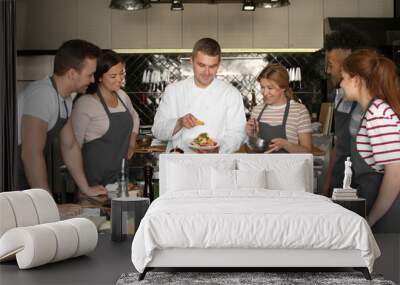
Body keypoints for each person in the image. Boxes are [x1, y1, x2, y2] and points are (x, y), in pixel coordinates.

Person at [18, 39, 106, 197]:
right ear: (72, 74)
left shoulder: (65, 99)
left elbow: (70, 146)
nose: (93, 80)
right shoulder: (42, 95)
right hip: (12, 176)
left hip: (24, 176)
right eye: (90, 74)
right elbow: (30, 154)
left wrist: (86, 189)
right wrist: (47, 204)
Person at [152, 38, 246, 153]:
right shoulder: (173, 91)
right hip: (180, 163)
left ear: (219, 64)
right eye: (201, 65)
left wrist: (218, 149)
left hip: (216, 164)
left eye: (212, 66)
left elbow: (238, 133)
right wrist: (179, 123)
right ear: (191, 61)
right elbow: (157, 130)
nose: (207, 72)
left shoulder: (231, 94)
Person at [340, 48, 400, 231]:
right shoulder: (371, 111)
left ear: (356, 80)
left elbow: (395, 174)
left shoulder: (378, 114)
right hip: (379, 208)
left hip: (388, 215)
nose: (341, 84)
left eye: (343, 77)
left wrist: (371, 219)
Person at [71, 50, 140, 186]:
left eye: (121, 74)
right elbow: (74, 146)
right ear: (99, 77)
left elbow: (135, 118)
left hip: (120, 177)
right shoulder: (86, 103)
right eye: (113, 76)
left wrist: (132, 143)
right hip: (93, 181)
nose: (120, 79)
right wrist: (83, 186)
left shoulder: (122, 96)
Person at [321, 25, 369, 196]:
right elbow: (339, 142)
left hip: (363, 187)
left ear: (348, 64)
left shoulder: (375, 107)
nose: (327, 70)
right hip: (340, 182)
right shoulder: (340, 96)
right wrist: (327, 182)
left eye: (331, 65)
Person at [246, 63, 312, 153]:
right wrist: (251, 136)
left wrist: (286, 145)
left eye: (270, 88)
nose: (264, 93)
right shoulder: (256, 111)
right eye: (262, 87)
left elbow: (307, 151)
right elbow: (250, 150)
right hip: (259, 166)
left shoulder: (299, 111)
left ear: (283, 87)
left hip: (288, 166)